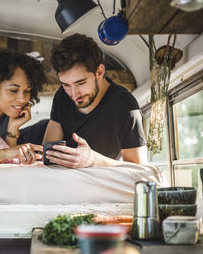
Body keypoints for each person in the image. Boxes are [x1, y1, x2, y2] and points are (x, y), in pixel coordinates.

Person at [43, 33, 147, 168]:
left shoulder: (125, 105)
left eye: (81, 83)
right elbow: (49, 156)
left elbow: (139, 169)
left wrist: (92, 160)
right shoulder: (62, 96)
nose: (74, 94)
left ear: (99, 72)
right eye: (66, 85)